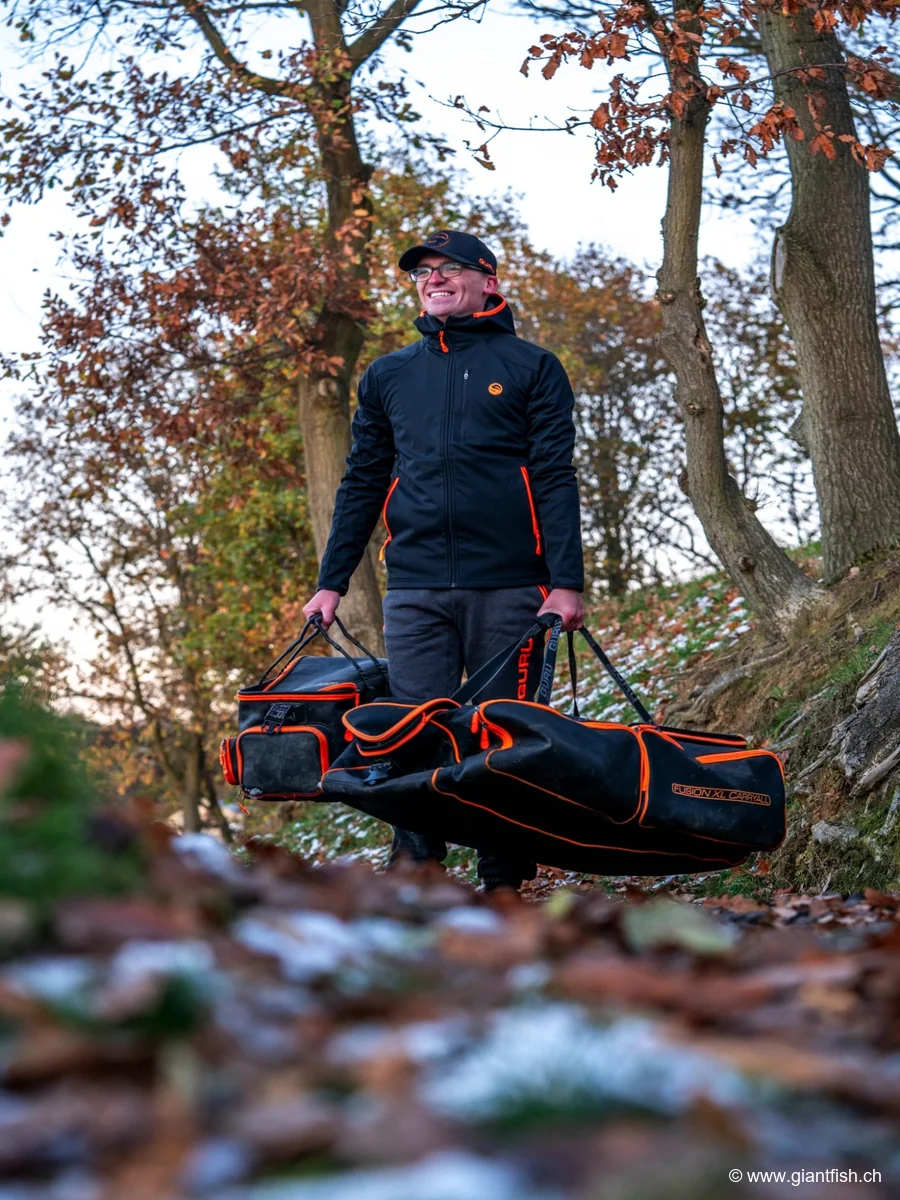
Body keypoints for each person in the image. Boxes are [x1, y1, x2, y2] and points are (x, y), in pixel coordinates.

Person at [304, 229, 584, 891]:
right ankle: (417, 876)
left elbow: (554, 476)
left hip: (512, 586)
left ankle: (504, 883)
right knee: (408, 732)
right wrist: (331, 582)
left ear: (488, 282)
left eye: (450, 266)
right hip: (416, 586)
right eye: (423, 271)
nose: (434, 278)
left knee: (502, 737)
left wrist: (565, 583)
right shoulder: (388, 376)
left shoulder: (533, 367)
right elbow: (362, 481)